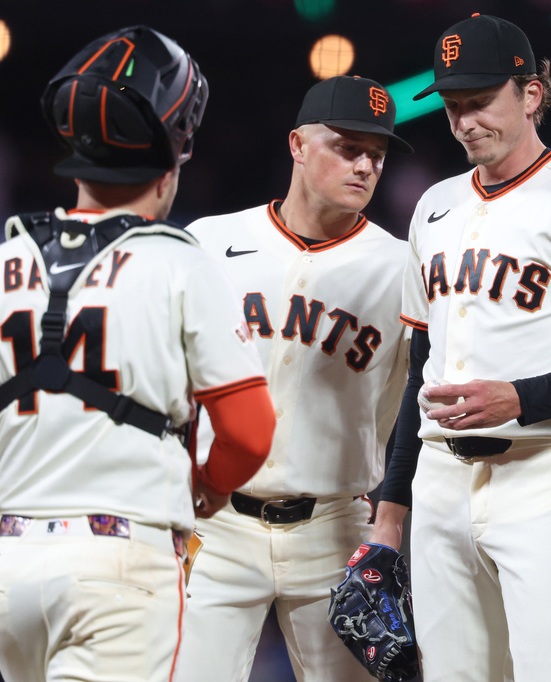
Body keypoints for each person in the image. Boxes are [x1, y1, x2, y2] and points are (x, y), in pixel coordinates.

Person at [0, 26, 276, 682]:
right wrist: (208, 484)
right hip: (118, 568)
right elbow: (251, 431)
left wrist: (33, 476)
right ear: (174, 158)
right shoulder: (179, 267)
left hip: (8, 572)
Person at [370, 13, 551, 682]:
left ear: (531, 94)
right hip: (440, 483)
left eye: (480, 101)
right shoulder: (433, 207)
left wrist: (519, 400)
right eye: (452, 105)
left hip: (545, 472)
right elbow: (421, 372)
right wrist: (394, 507)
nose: (464, 120)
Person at [173, 75, 415, 682]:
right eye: (347, 147)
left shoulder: (402, 269)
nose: (364, 165)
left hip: (336, 530)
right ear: (298, 146)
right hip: (216, 522)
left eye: (377, 155)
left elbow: (425, 405)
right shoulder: (210, 241)